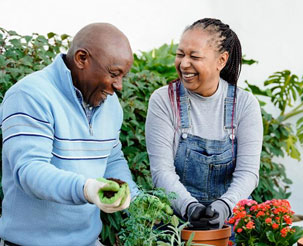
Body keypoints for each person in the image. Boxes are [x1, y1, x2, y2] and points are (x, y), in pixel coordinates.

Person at [0, 23, 139, 245]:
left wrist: (137, 199)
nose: (119, 86)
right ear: (82, 58)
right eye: (114, 74)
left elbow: (111, 159)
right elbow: (30, 171)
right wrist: (86, 189)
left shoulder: (111, 105)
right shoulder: (30, 95)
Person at [146, 18, 263, 230]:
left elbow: (248, 173)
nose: (183, 64)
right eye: (180, 54)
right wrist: (190, 207)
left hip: (228, 225)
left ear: (221, 60)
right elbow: (161, 171)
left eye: (194, 56)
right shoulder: (164, 100)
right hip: (175, 226)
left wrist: (225, 206)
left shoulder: (244, 104)